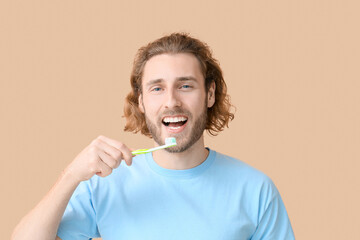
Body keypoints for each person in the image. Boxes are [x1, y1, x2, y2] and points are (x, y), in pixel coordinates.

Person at [12, 33, 295, 240]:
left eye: (185, 85)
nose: (171, 101)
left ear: (209, 94)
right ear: (142, 102)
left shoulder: (256, 190)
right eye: (157, 88)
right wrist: (71, 175)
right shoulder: (106, 183)